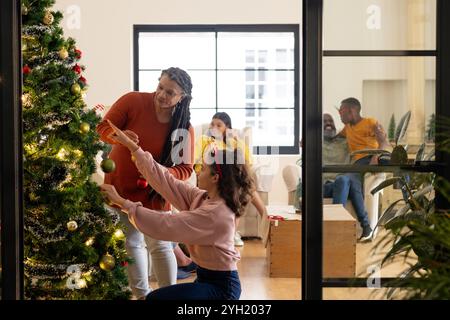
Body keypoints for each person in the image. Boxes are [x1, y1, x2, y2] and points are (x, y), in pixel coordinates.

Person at [101, 120, 253, 300]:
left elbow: (166, 224)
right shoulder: (203, 197)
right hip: (206, 279)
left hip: (222, 288)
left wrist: (121, 202)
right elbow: (167, 181)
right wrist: (133, 147)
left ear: (215, 178)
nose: (197, 172)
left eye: (202, 169)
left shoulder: (216, 213)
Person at [96, 67, 195, 299]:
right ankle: (143, 297)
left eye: (170, 93)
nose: (162, 95)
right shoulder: (133, 101)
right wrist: (118, 136)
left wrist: (155, 173)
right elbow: (102, 128)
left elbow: (184, 170)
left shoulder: (182, 128)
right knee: (132, 244)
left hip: (156, 197)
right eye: (160, 87)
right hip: (120, 190)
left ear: (182, 98)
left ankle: (169, 297)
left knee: (160, 246)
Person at [195, 112, 267, 246]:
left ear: (227, 128)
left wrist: (233, 140)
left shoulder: (234, 143)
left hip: (232, 180)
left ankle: (264, 218)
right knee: (238, 188)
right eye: (212, 124)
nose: (214, 127)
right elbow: (196, 161)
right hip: (212, 178)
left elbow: (246, 163)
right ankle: (231, 233)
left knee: (246, 186)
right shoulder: (204, 140)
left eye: (219, 125)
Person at [335, 97, 391, 240]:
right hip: (357, 163)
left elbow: (384, 142)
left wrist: (376, 156)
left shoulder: (370, 122)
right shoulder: (347, 128)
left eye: (341, 111)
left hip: (371, 158)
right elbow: (331, 137)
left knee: (352, 178)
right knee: (352, 183)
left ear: (352, 110)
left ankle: (362, 227)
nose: (339, 114)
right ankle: (365, 227)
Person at [322, 113, 372, 241]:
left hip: (343, 184)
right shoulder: (316, 142)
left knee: (344, 179)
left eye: (330, 120)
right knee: (348, 179)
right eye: (324, 121)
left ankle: (335, 227)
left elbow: (363, 142)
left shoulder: (345, 141)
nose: (328, 123)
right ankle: (366, 226)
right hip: (324, 186)